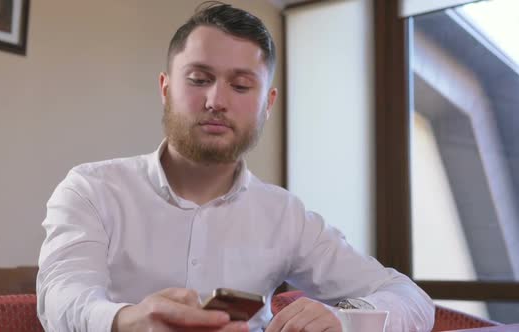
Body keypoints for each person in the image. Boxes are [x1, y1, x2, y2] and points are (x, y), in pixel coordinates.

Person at [36, 2, 435, 331]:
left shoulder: (285, 216)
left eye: (241, 86)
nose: (216, 100)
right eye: (198, 79)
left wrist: (343, 319)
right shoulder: (91, 190)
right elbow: (60, 296)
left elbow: (409, 298)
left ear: (268, 103)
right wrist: (126, 321)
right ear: (165, 88)